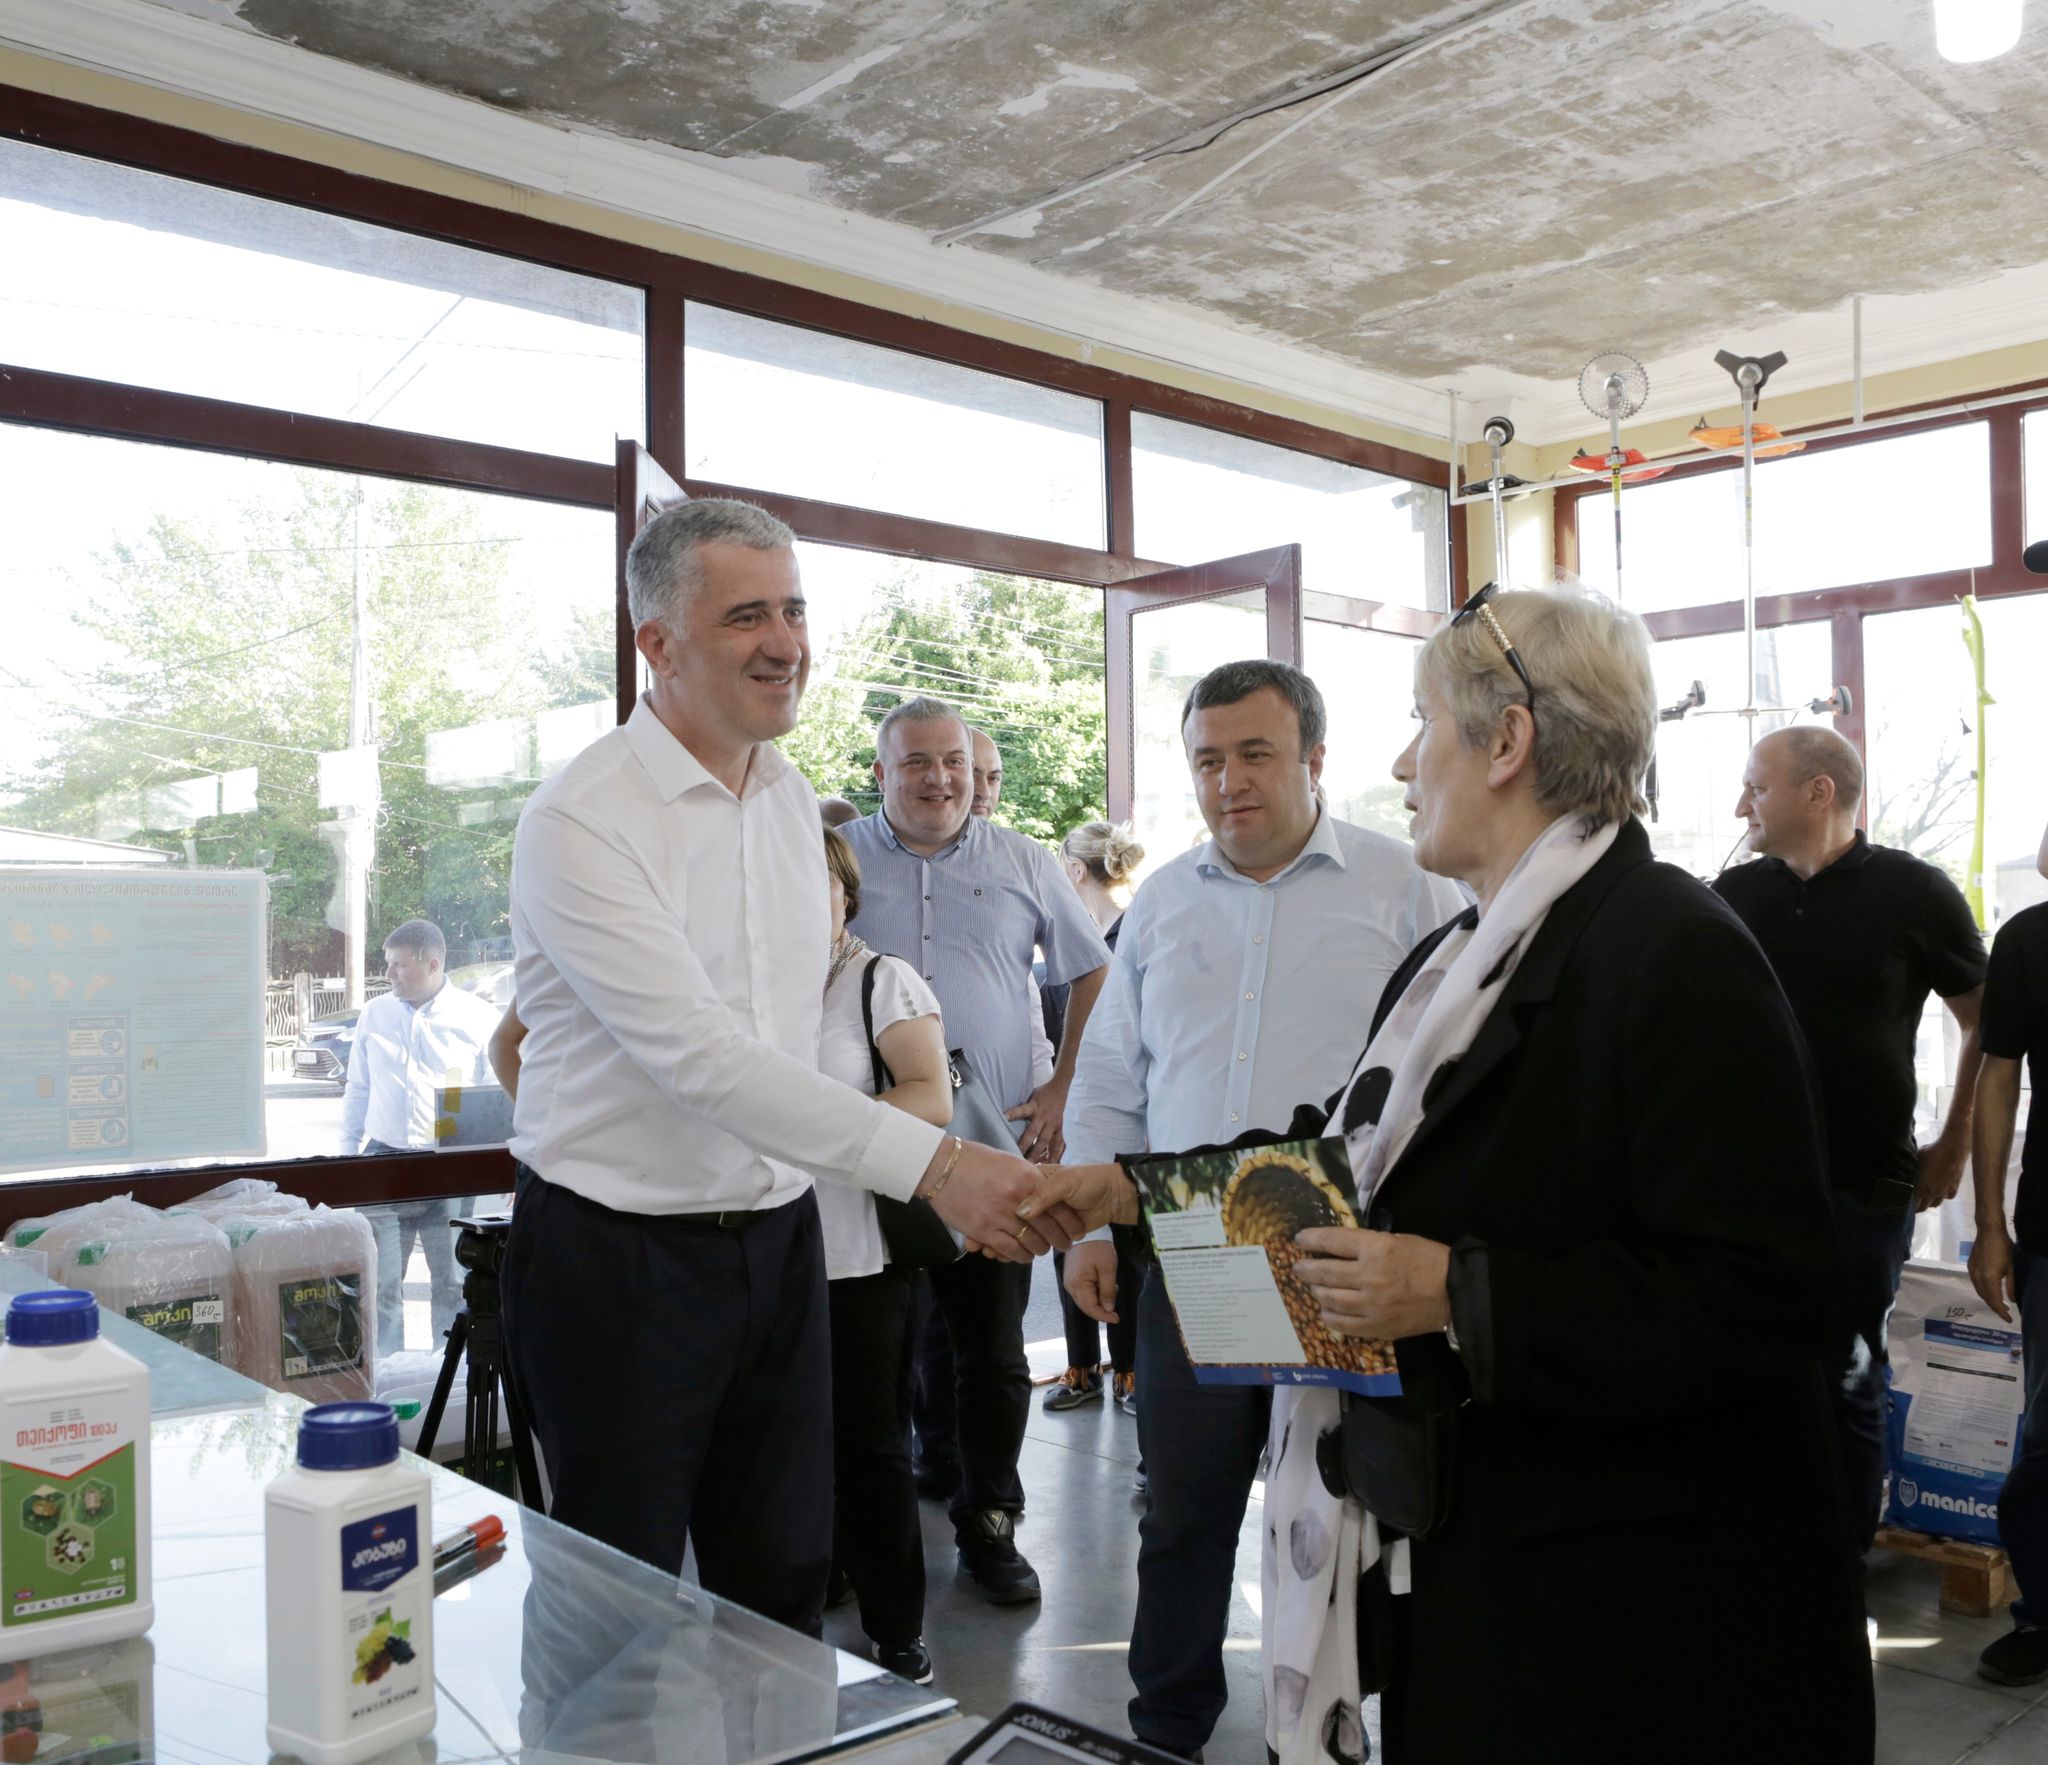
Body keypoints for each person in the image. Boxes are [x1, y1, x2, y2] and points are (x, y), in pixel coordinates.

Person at [1036, 587, 1871, 1762]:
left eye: (1420, 721)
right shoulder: (1460, 957)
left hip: (1633, 1604)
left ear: (1506, 740)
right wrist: (1127, 1195)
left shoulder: (1672, 949)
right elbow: (1346, 1166)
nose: (1398, 761)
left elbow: (1762, 1295)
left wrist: (1450, 1290)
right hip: (1486, 1550)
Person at [499, 499, 1062, 1635]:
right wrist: (939, 1166)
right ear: (657, 644)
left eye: (795, 610)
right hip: (621, 1260)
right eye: (745, 615)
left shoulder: (793, 802)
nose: (785, 643)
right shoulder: (583, 817)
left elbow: (793, 1037)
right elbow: (702, 1058)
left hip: (780, 1243)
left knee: (783, 1585)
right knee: (616, 1611)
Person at [1060, 662, 1463, 1759]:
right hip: (1193, 1245)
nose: (1227, 781)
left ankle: (1351, 1730)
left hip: (1341, 1254)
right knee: (1181, 1509)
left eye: (1254, 754)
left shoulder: (1407, 884)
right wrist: (1092, 1227)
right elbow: (1111, 1075)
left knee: (1353, 1514)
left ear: (1313, 759)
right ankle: (1166, 1728)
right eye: (1207, 759)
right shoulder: (1161, 902)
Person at [842, 697, 1111, 1604]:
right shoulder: (838, 859)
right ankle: (862, 1542)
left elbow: (1093, 967)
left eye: (953, 760)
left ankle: (990, 1521)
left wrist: (1064, 1083)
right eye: (917, 762)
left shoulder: (1025, 860)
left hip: (994, 1146)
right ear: (880, 773)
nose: (940, 778)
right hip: (876, 1146)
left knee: (992, 1353)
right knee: (874, 1358)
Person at [1715, 725, 1985, 1556]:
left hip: (1864, 1186)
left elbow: (1986, 1022)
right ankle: (1765, 1562)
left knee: (1848, 1377)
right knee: (1750, 1377)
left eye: (1757, 786)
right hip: (1748, 1189)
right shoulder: (1732, 894)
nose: (1741, 804)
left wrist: (1954, 1142)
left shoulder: (1916, 891)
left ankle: (1840, 1570)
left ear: (1818, 792)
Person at [817, 824, 951, 1686]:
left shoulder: (879, 978)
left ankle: (896, 1622)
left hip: (861, 1255)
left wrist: (819, 1130)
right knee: (788, 1442)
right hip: (771, 1251)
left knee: (872, 1446)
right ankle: (821, 1573)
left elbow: (931, 1097)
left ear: (847, 892)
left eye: (818, 883)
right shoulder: (756, 986)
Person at [338, 917, 501, 1354]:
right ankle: (388, 1371)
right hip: (383, 1164)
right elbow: (358, 1086)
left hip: (447, 1167)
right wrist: (346, 1155)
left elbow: (495, 1096)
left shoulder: (477, 1017)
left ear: (432, 964)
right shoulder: (376, 1014)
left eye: (399, 964)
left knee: (450, 1281)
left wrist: (502, 1164)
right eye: (387, 963)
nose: (388, 973)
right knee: (381, 1283)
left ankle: (441, 1372)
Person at [1967, 860, 2048, 1686]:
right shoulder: (2030, 939)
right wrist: (1989, 1224)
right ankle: (2044, 1614)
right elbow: (1999, 1072)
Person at [1043, 819, 1150, 1417]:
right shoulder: (1073, 949)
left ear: (1076, 871)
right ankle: (1086, 1367)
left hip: (1130, 1125)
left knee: (1128, 1248)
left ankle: (1127, 1371)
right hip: (1072, 1120)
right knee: (1075, 1237)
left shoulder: (1134, 936)